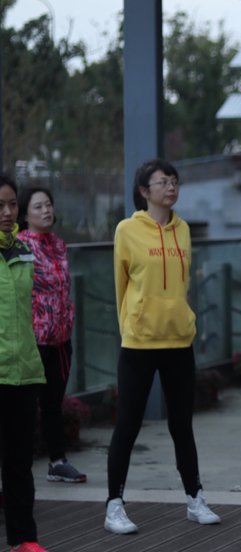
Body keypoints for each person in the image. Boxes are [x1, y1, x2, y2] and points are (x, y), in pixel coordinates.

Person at [104, 159, 220, 534]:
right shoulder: (126, 230)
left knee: (182, 425)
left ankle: (195, 499)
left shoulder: (183, 230)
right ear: (144, 191)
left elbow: (183, 286)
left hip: (178, 341)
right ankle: (114, 506)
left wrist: (185, 320)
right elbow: (121, 286)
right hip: (139, 344)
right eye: (162, 182)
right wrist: (131, 325)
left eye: (174, 181)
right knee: (127, 426)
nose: (171, 187)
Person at [16, 187, 86, 484]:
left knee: (53, 404)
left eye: (48, 205)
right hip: (33, 341)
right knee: (23, 408)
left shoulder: (58, 244)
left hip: (60, 340)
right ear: (24, 214)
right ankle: (17, 469)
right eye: (38, 206)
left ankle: (57, 463)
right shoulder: (19, 246)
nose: (46, 210)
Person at [0, 174, 50, 552]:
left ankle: (24, 539)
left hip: (24, 372)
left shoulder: (24, 250)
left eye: (12, 204)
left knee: (19, 463)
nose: (7, 212)